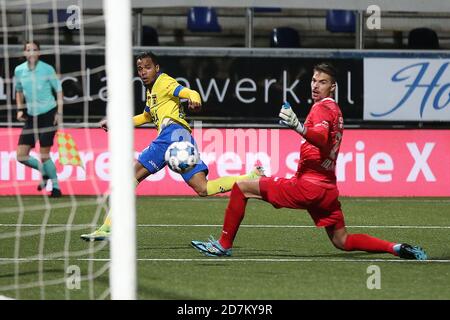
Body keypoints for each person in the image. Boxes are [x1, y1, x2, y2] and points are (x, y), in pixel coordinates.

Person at [191, 63, 427, 260]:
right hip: (327, 190)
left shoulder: (322, 109)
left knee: (242, 187)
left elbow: (322, 140)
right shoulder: (336, 110)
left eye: (322, 81)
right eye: (314, 80)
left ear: (333, 86)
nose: (315, 85)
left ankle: (223, 245)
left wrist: (299, 127)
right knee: (342, 240)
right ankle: (395, 248)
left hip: (308, 187)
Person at [81, 51, 264, 241]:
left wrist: (195, 98)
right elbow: (146, 117)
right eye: (140, 69)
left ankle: (108, 229)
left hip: (171, 134)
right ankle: (249, 178)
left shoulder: (164, 82)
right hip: (182, 137)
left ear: (157, 68)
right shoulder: (151, 90)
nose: (143, 72)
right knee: (203, 188)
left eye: (148, 67)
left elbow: (187, 92)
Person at [15, 41, 63, 198]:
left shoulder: (47, 69)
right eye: (28, 50)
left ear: (39, 53)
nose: (31, 52)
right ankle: (44, 172)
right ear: (24, 53)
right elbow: (19, 91)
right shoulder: (19, 70)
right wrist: (20, 109)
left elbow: (59, 90)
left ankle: (56, 188)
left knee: (44, 154)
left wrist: (59, 113)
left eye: (35, 49)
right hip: (31, 116)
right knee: (21, 155)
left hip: (48, 114)